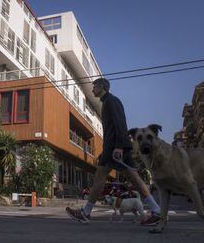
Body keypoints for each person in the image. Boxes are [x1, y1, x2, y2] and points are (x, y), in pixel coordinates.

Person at [66, 78, 161, 225]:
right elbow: (112, 129)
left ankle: (86, 213)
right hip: (112, 148)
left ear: (102, 87)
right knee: (130, 178)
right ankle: (156, 210)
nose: (92, 90)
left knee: (120, 178)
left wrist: (119, 147)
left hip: (115, 149)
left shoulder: (111, 101)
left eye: (95, 86)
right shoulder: (107, 102)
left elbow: (120, 124)